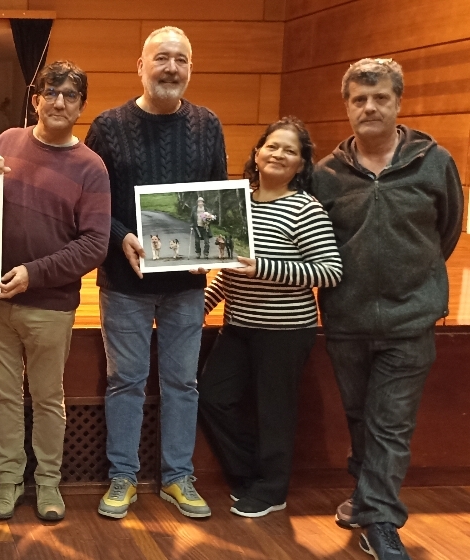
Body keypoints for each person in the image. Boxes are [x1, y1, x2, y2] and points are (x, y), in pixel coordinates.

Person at [309, 58, 462, 560]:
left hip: (410, 319)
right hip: (346, 319)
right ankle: (366, 495)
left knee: (391, 422)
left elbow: (447, 231)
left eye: (380, 98)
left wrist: (410, 285)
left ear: (398, 103)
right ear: (348, 106)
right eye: (359, 99)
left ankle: (380, 520)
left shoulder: (435, 162)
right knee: (361, 417)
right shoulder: (325, 175)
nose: (370, 107)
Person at [86, 26, 227, 520]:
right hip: (126, 281)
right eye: (162, 58)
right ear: (140, 66)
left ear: (190, 68)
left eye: (181, 60)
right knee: (125, 380)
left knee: (182, 383)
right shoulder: (107, 125)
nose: (171, 68)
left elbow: (215, 201)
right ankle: (122, 476)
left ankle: (177, 477)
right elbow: (93, 204)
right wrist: (121, 235)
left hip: (186, 284)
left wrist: (216, 244)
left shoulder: (208, 124)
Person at [0, 60, 111, 522]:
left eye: (70, 96)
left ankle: (49, 484)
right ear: (36, 99)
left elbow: (94, 244)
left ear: (80, 107)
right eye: (50, 93)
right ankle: (9, 483)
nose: (58, 102)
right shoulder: (5, 142)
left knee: (49, 398)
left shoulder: (92, 167)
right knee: (4, 397)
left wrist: (34, 273)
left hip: (50, 306)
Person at [199, 117, 342, 518]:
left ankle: (273, 489)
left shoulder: (305, 208)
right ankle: (250, 476)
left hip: (285, 331)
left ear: (301, 164)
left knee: (274, 411)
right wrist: (204, 305)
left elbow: (329, 271)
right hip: (238, 325)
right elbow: (231, 268)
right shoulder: (238, 201)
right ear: (257, 154)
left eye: (290, 151)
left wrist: (263, 267)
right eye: (272, 146)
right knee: (213, 397)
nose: (279, 154)